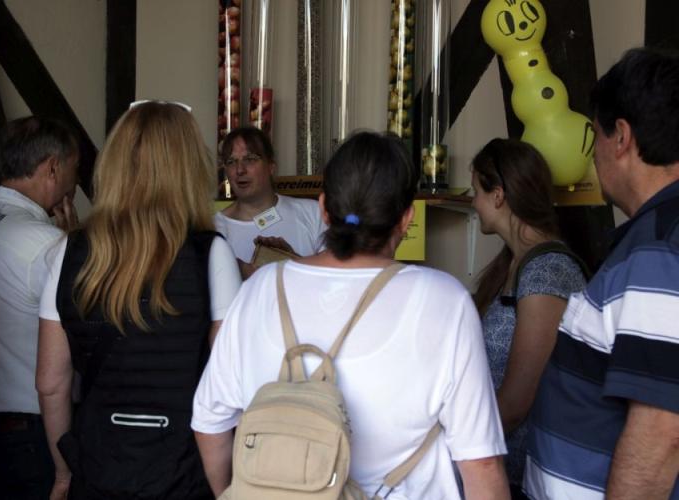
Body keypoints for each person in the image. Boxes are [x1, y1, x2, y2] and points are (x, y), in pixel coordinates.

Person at [193, 131, 511, 499]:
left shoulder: (259, 288)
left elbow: (209, 424)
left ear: (323, 209)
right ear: (406, 218)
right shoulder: (445, 301)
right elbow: (481, 464)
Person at [37, 101, 241, 499]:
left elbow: (50, 384)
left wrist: (63, 473)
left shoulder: (69, 252)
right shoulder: (210, 255)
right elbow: (225, 389)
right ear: (189, 168)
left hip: (98, 470)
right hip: (184, 474)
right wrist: (224, 488)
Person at [524, 47, 679, 499]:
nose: (593, 156)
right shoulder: (656, 235)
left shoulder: (659, 248)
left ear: (621, 137)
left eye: (595, 136)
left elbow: (663, 430)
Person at [0, 116, 79, 500]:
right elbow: (81, 337)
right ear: (53, 168)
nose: (75, 182)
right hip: (31, 436)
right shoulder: (49, 244)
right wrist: (75, 246)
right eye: (74, 168)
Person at [470, 138, 587, 497]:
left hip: (527, 480)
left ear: (498, 195)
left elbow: (517, 402)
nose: (473, 203)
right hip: (504, 468)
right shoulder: (513, 264)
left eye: (476, 191)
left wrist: (460, 447)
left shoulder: (548, 271)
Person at [216, 126, 326, 277]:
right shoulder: (214, 229)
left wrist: (293, 262)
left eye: (250, 159)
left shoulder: (313, 213)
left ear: (271, 167)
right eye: (231, 162)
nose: (240, 170)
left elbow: (338, 280)